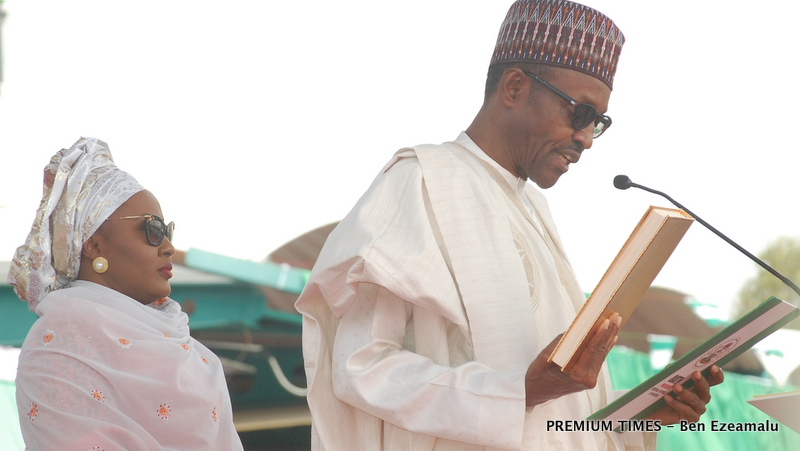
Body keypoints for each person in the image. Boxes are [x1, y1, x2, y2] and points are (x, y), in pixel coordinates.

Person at [295, 1, 724, 450]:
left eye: (598, 124)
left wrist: (644, 411)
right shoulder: (422, 179)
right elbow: (361, 366)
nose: (585, 139)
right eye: (579, 114)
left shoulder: (535, 210)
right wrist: (521, 391)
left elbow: (556, 415)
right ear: (515, 87)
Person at [7, 138, 244, 450]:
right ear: (94, 245)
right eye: (152, 229)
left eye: (167, 231)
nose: (169, 247)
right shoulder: (59, 347)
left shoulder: (190, 352)